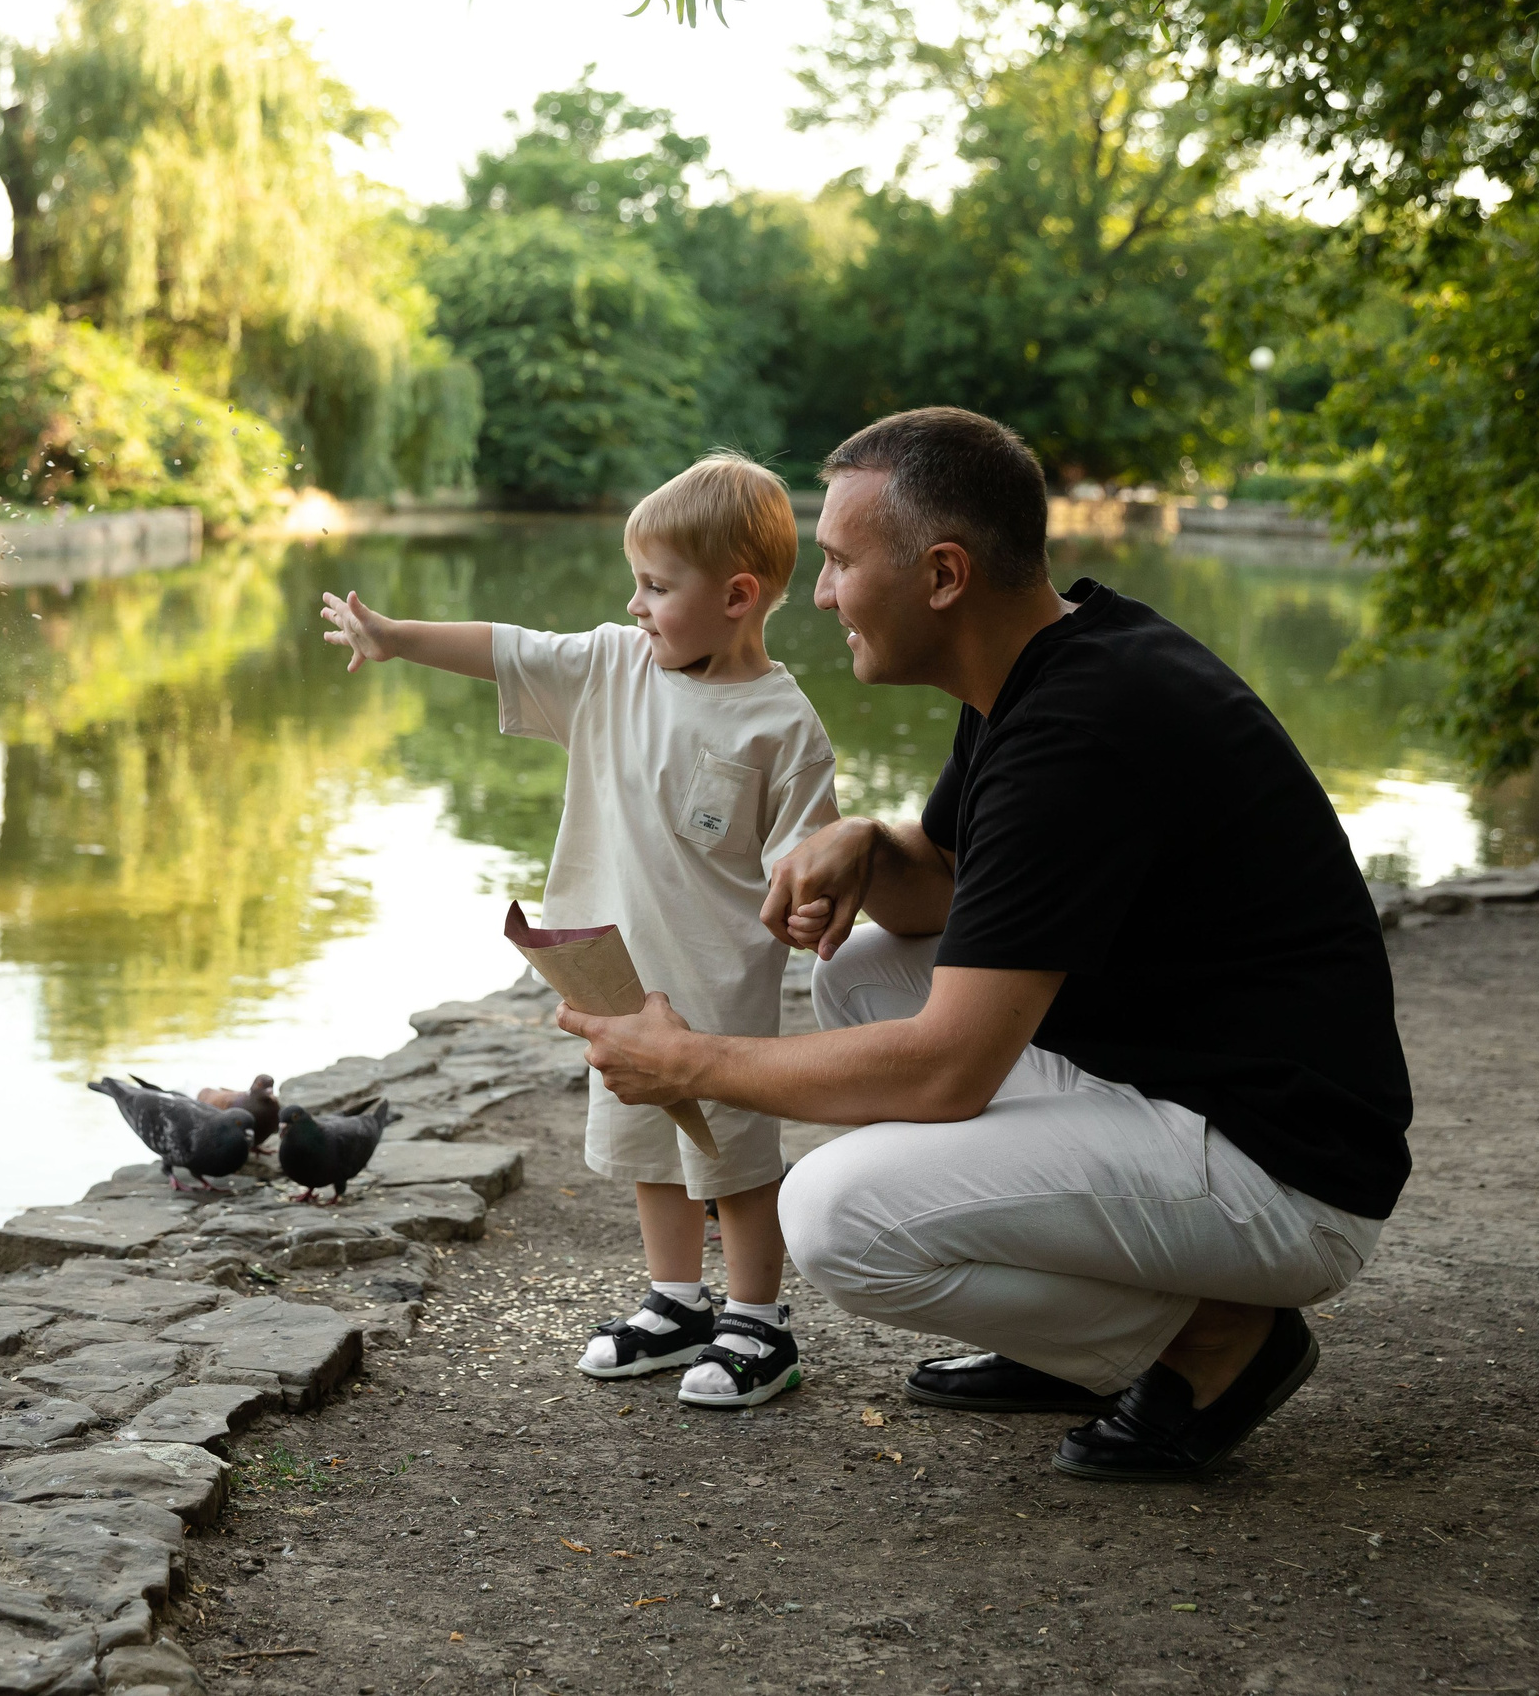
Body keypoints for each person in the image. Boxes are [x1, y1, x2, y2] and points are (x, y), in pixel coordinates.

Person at [555, 408, 1411, 1480]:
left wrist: (689, 1062)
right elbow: (947, 894)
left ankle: (1211, 1343)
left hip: (1282, 1172)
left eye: (837, 562)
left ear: (944, 575)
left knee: (838, 1211)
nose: (818, 595)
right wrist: (868, 842)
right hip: (1185, 1082)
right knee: (862, 975)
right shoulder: (1040, 663)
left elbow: (949, 1067)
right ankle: (1087, 1340)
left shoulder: (1077, 729)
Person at [321, 452, 841, 1408]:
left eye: (655, 586)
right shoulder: (611, 666)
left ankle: (759, 1321)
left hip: (718, 984)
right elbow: (505, 646)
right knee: (647, 1138)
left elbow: (807, 854)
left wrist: (808, 901)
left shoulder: (784, 724)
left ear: (736, 595)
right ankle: (677, 1301)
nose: (635, 604)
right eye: (632, 584)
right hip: (613, 967)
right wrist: (393, 634)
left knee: (732, 1156)